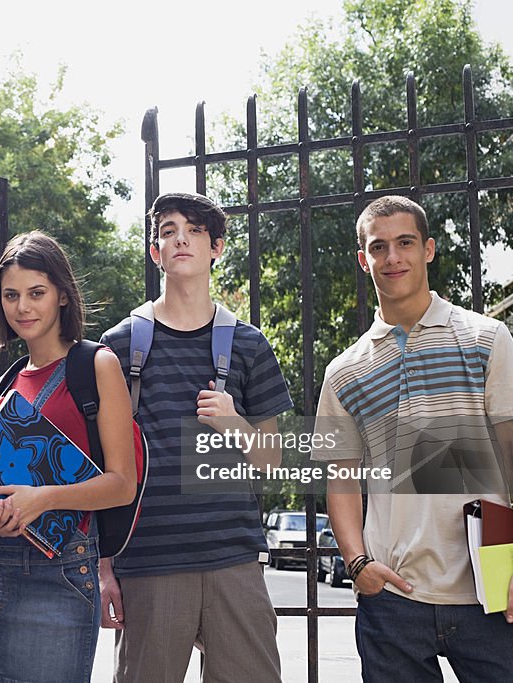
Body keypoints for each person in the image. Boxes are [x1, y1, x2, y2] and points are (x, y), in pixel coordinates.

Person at [311, 195, 513, 681]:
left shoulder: (485, 337)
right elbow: (341, 482)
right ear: (364, 259)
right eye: (379, 247)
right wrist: (358, 566)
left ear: (429, 249)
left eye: (405, 243)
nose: (392, 257)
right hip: (393, 600)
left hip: (488, 592)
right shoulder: (344, 372)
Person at [99, 192, 291, 683]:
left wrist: (235, 423)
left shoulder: (249, 344)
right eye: (167, 230)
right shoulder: (119, 346)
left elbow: (272, 462)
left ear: (216, 248)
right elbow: (100, 466)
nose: (179, 237)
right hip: (149, 561)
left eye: (194, 229)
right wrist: (104, 569)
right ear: (154, 251)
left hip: (234, 559)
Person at [0, 230, 137, 683]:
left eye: (36, 293)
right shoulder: (5, 384)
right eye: (10, 296)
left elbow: (122, 484)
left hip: (59, 569)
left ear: (62, 297)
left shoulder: (97, 365)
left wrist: (42, 499)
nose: (22, 307)